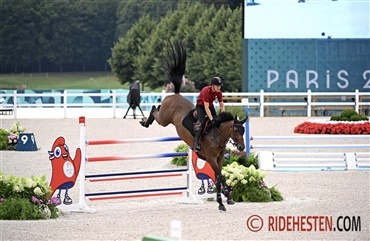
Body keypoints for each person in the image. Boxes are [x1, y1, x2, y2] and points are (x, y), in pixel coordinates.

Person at [194, 76, 225, 151]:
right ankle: (196, 143)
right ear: (212, 86)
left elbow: (222, 104)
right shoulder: (206, 91)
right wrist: (211, 119)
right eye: (217, 86)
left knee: (217, 121)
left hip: (210, 105)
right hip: (201, 106)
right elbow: (206, 107)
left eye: (220, 86)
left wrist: (222, 114)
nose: (219, 88)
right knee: (202, 122)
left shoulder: (219, 92)